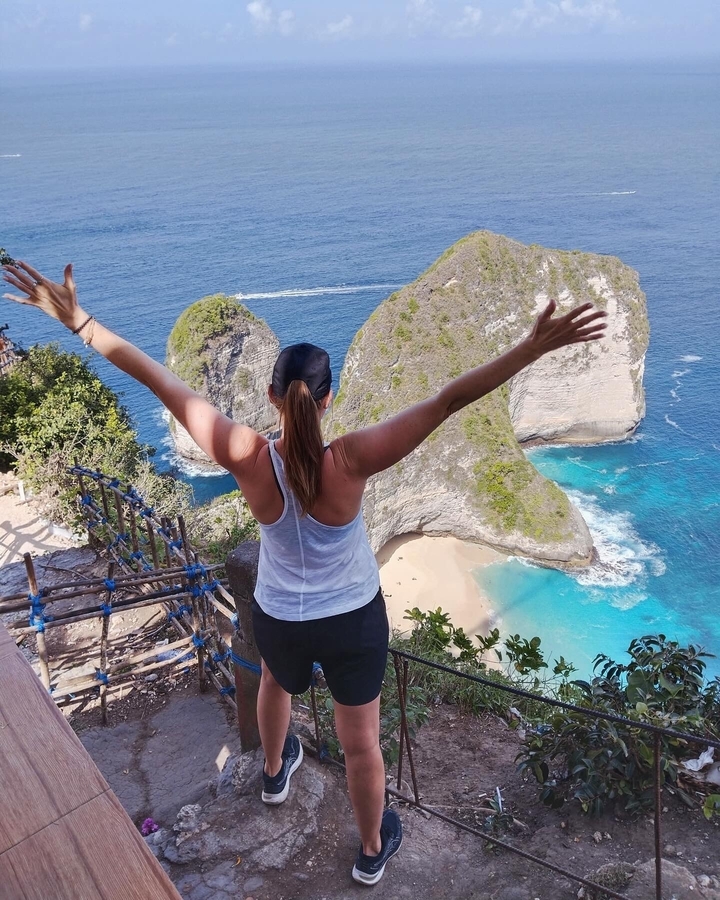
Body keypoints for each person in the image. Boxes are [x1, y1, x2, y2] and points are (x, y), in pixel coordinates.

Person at [2, 260, 606, 885]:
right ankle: (371, 850)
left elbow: (160, 382)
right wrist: (531, 348)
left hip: (280, 617)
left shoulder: (245, 455)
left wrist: (81, 323)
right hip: (351, 620)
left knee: (273, 682)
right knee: (361, 744)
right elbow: (450, 399)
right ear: (329, 398)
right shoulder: (352, 458)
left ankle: (271, 775)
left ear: (270, 397)